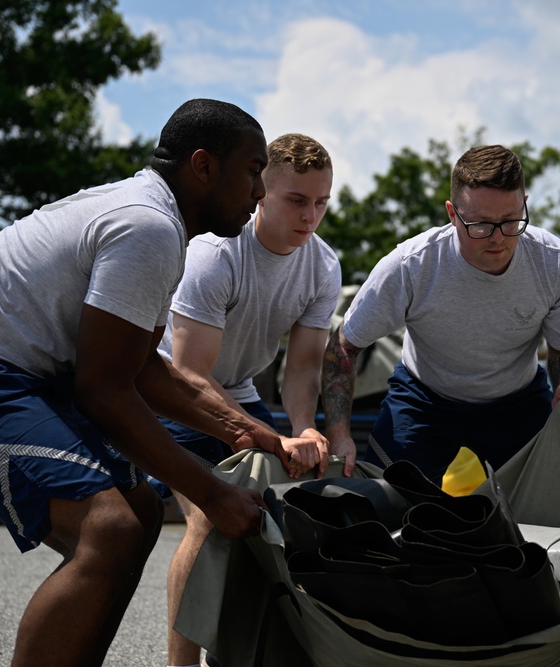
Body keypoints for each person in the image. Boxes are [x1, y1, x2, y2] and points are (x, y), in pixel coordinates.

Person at [0, 99, 317, 667]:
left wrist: (254, 434)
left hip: (22, 373)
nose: (258, 190)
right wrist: (213, 493)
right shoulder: (149, 228)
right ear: (203, 166)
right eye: (252, 171)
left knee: (141, 513)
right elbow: (103, 391)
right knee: (108, 529)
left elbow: (145, 368)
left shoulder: (157, 220)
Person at [161, 133, 339, 667]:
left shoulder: (323, 267)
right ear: (261, 192)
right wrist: (271, 435)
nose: (311, 215)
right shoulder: (214, 254)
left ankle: (249, 652)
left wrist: (304, 428)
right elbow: (191, 373)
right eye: (297, 200)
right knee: (209, 516)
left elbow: (303, 368)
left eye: (322, 202)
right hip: (168, 394)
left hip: (236, 393)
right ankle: (180, 664)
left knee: (279, 518)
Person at [322, 144, 560, 486]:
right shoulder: (410, 266)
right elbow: (343, 347)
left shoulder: (554, 261)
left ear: (524, 204)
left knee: (546, 506)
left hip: (517, 401)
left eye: (510, 222)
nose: (498, 239)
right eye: (480, 225)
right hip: (424, 399)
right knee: (383, 497)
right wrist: (339, 433)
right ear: (452, 213)